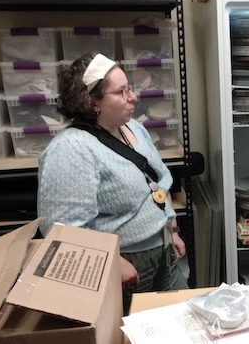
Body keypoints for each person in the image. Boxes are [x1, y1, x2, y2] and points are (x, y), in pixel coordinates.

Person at [37, 53, 188, 314]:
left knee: (183, 318)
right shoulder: (72, 149)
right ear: (91, 102)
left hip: (164, 251)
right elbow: (60, 228)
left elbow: (158, 182)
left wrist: (171, 228)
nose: (133, 98)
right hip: (127, 264)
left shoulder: (133, 128)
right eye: (121, 92)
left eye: (130, 88)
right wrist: (109, 262)